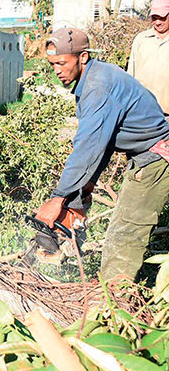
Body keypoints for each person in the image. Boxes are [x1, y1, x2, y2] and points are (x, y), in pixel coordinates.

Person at [35, 28, 169, 281]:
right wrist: (85, 187)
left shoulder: (98, 88)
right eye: (52, 64)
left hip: (156, 157)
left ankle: (113, 298)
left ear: (82, 57)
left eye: (62, 63)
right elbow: (104, 141)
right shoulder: (95, 76)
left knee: (126, 230)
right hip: (147, 153)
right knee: (118, 222)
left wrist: (58, 198)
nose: (57, 70)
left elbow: (87, 146)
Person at [128, 0, 169, 115]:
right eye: (154, 18)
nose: (157, 22)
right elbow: (131, 73)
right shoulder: (141, 39)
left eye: (162, 18)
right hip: (143, 110)